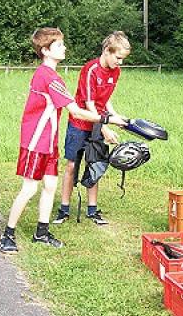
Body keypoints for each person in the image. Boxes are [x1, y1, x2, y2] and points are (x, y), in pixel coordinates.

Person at [0, 27, 125, 253]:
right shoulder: (48, 77)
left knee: (50, 186)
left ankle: (41, 233)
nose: (64, 48)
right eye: (59, 45)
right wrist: (108, 119)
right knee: (29, 189)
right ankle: (7, 235)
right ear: (45, 51)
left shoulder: (52, 76)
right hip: (35, 141)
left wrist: (111, 118)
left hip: (49, 142)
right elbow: (76, 111)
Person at [53, 31, 130, 225]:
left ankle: (92, 210)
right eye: (118, 57)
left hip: (98, 121)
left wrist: (116, 116)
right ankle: (64, 209)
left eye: (122, 59)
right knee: (72, 165)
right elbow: (89, 104)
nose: (120, 62)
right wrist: (104, 128)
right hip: (79, 123)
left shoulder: (115, 71)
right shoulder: (90, 69)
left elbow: (105, 99)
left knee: (94, 164)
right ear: (107, 51)